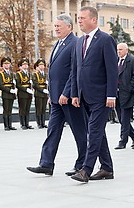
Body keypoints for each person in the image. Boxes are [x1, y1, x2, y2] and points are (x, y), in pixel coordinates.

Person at [27, 14, 88, 177]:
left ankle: (82, 164)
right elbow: (54, 72)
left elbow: (74, 72)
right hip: (56, 98)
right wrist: (52, 93)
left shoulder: (75, 43)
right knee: (52, 130)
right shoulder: (58, 44)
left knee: (79, 131)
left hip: (68, 98)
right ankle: (46, 163)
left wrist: (66, 93)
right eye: (55, 26)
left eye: (59, 26)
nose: (56, 29)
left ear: (69, 27)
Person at [70, 6, 118, 182]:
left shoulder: (105, 39)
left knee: (94, 132)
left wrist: (111, 95)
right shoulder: (79, 41)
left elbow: (112, 70)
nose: (79, 21)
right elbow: (76, 69)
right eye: (78, 18)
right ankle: (107, 167)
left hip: (101, 96)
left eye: (83, 18)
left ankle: (86, 169)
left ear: (94, 20)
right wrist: (75, 93)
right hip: (84, 95)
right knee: (98, 132)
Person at [114, 42, 134, 149]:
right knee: (121, 118)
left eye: (120, 49)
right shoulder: (116, 61)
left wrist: (130, 89)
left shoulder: (132, 60)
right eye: (118, 50)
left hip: (127, 94)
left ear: (126, 50)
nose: (118, 51)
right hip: (117, 93)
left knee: (125, 118)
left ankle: (122, 141)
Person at [0, 57, 17, 131]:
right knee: (6, 109)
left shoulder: (12, 74)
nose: (7, 65)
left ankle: (10, 124)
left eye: (8, 63)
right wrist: (9, 90)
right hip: (6, 93)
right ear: (2, 65)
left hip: (11, 93)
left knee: (10, 109)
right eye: (5, 64)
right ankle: (6, 125)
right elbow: (0, 85)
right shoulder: (1, 74)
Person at [16, 58, 34, 130]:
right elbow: (18, 85)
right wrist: (26, 89)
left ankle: (27, 123)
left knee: (27, 109)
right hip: (22, 93)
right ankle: (22, 123)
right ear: (20, 66)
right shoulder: (19, 74)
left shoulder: (28, 74)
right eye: (24, 64)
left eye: (26, 64)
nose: (25, 66)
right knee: (22, 109)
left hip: (29, 94)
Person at [32, 58, 49, 129]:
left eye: (43, 65)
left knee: (43, 108)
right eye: (40, 65)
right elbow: (35, 85)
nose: (42, 66)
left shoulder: (45, 74)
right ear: (37, 66)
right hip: (38, 93)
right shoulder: (35, 75)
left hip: (45, 94)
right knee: (39, 108)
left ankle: (43, 122)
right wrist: (42, 90)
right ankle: (39, 123)